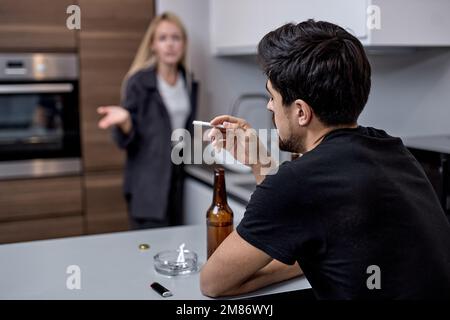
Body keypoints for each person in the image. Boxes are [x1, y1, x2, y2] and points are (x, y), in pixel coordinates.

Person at [200, 20, 450, 299]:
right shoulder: (391, 147)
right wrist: (261, 164)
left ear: (301, 112)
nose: (269, 106)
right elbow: (302, 223)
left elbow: (213, 282)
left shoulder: (299, 182)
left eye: (272, 96)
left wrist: (295, 262)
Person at [97, 12, 198, 229]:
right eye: (162, 38)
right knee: (149, 250)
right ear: (152, 45)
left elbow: (186, 130)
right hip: (148, 183)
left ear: (184, 43)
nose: (170, 44)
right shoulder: (138, 82)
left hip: (177, 179)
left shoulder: (189, 82)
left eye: (175, 38)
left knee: (176, 248)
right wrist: (125, 122)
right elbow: (123, 140)